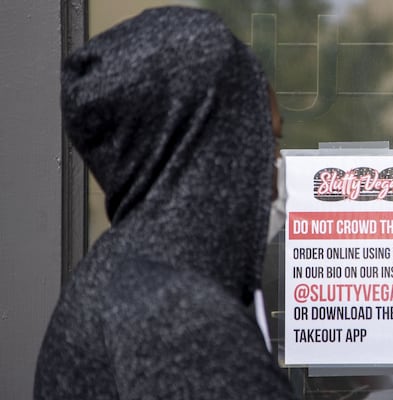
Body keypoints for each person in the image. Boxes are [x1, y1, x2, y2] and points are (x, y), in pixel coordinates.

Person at [35, 6, 296, 399]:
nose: (276, 175)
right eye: (268, 143)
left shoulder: (121, 276)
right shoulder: (181, 318)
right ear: (220, 156)